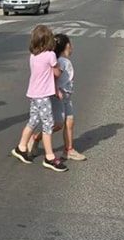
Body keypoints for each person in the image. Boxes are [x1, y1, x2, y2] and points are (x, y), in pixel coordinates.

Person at [10, 25, 68, 172]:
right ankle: (49, 157)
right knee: (48, 125)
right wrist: (59, 69)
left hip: (34, 93)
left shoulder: (33, 55)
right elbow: (56, 74)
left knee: (33, 121)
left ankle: (21, 147)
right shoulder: (50, 55)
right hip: (43, 96)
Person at [29, 34, 86, 162]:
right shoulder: (59, 62)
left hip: (66, 97)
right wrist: (56, 90)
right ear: (66, 46)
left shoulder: (64, 61)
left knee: (70, 121)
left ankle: (69, 150)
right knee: (58, 124)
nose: (72, 47)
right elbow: (53, 77)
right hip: (58, 97)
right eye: (70, 44)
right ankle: (36, 137)